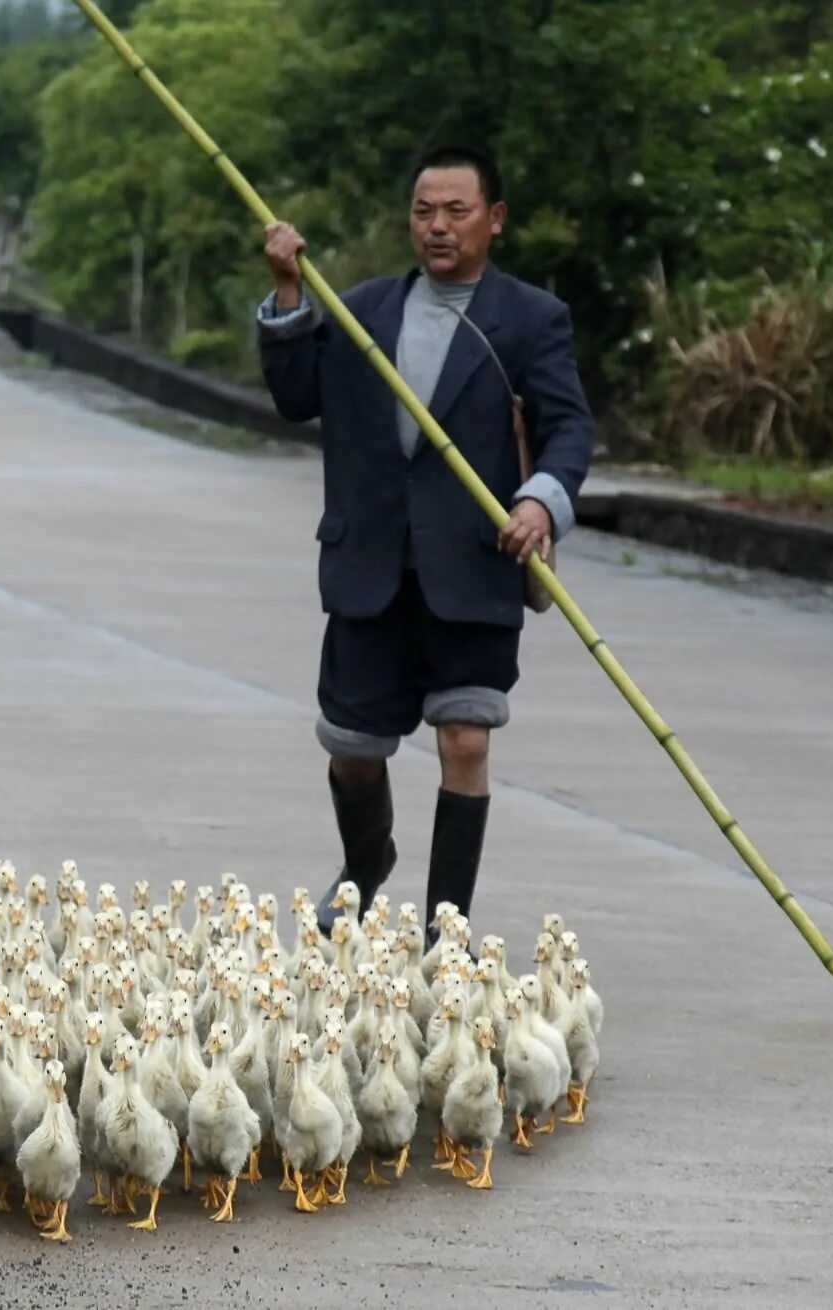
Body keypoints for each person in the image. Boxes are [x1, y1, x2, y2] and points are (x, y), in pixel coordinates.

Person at [256, 144, 594, 942]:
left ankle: (445, 933)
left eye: (456, 211)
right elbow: (294, 396)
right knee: (352, 749)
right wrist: (287, 292)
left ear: (494, 220)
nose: (437, 227)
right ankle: (366, 863)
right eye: (423, 212)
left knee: (466, 738)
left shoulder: (532, 318)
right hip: (369, 563)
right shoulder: (360, 310)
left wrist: (541, 504)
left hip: (474, 567)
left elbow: (569, 428)